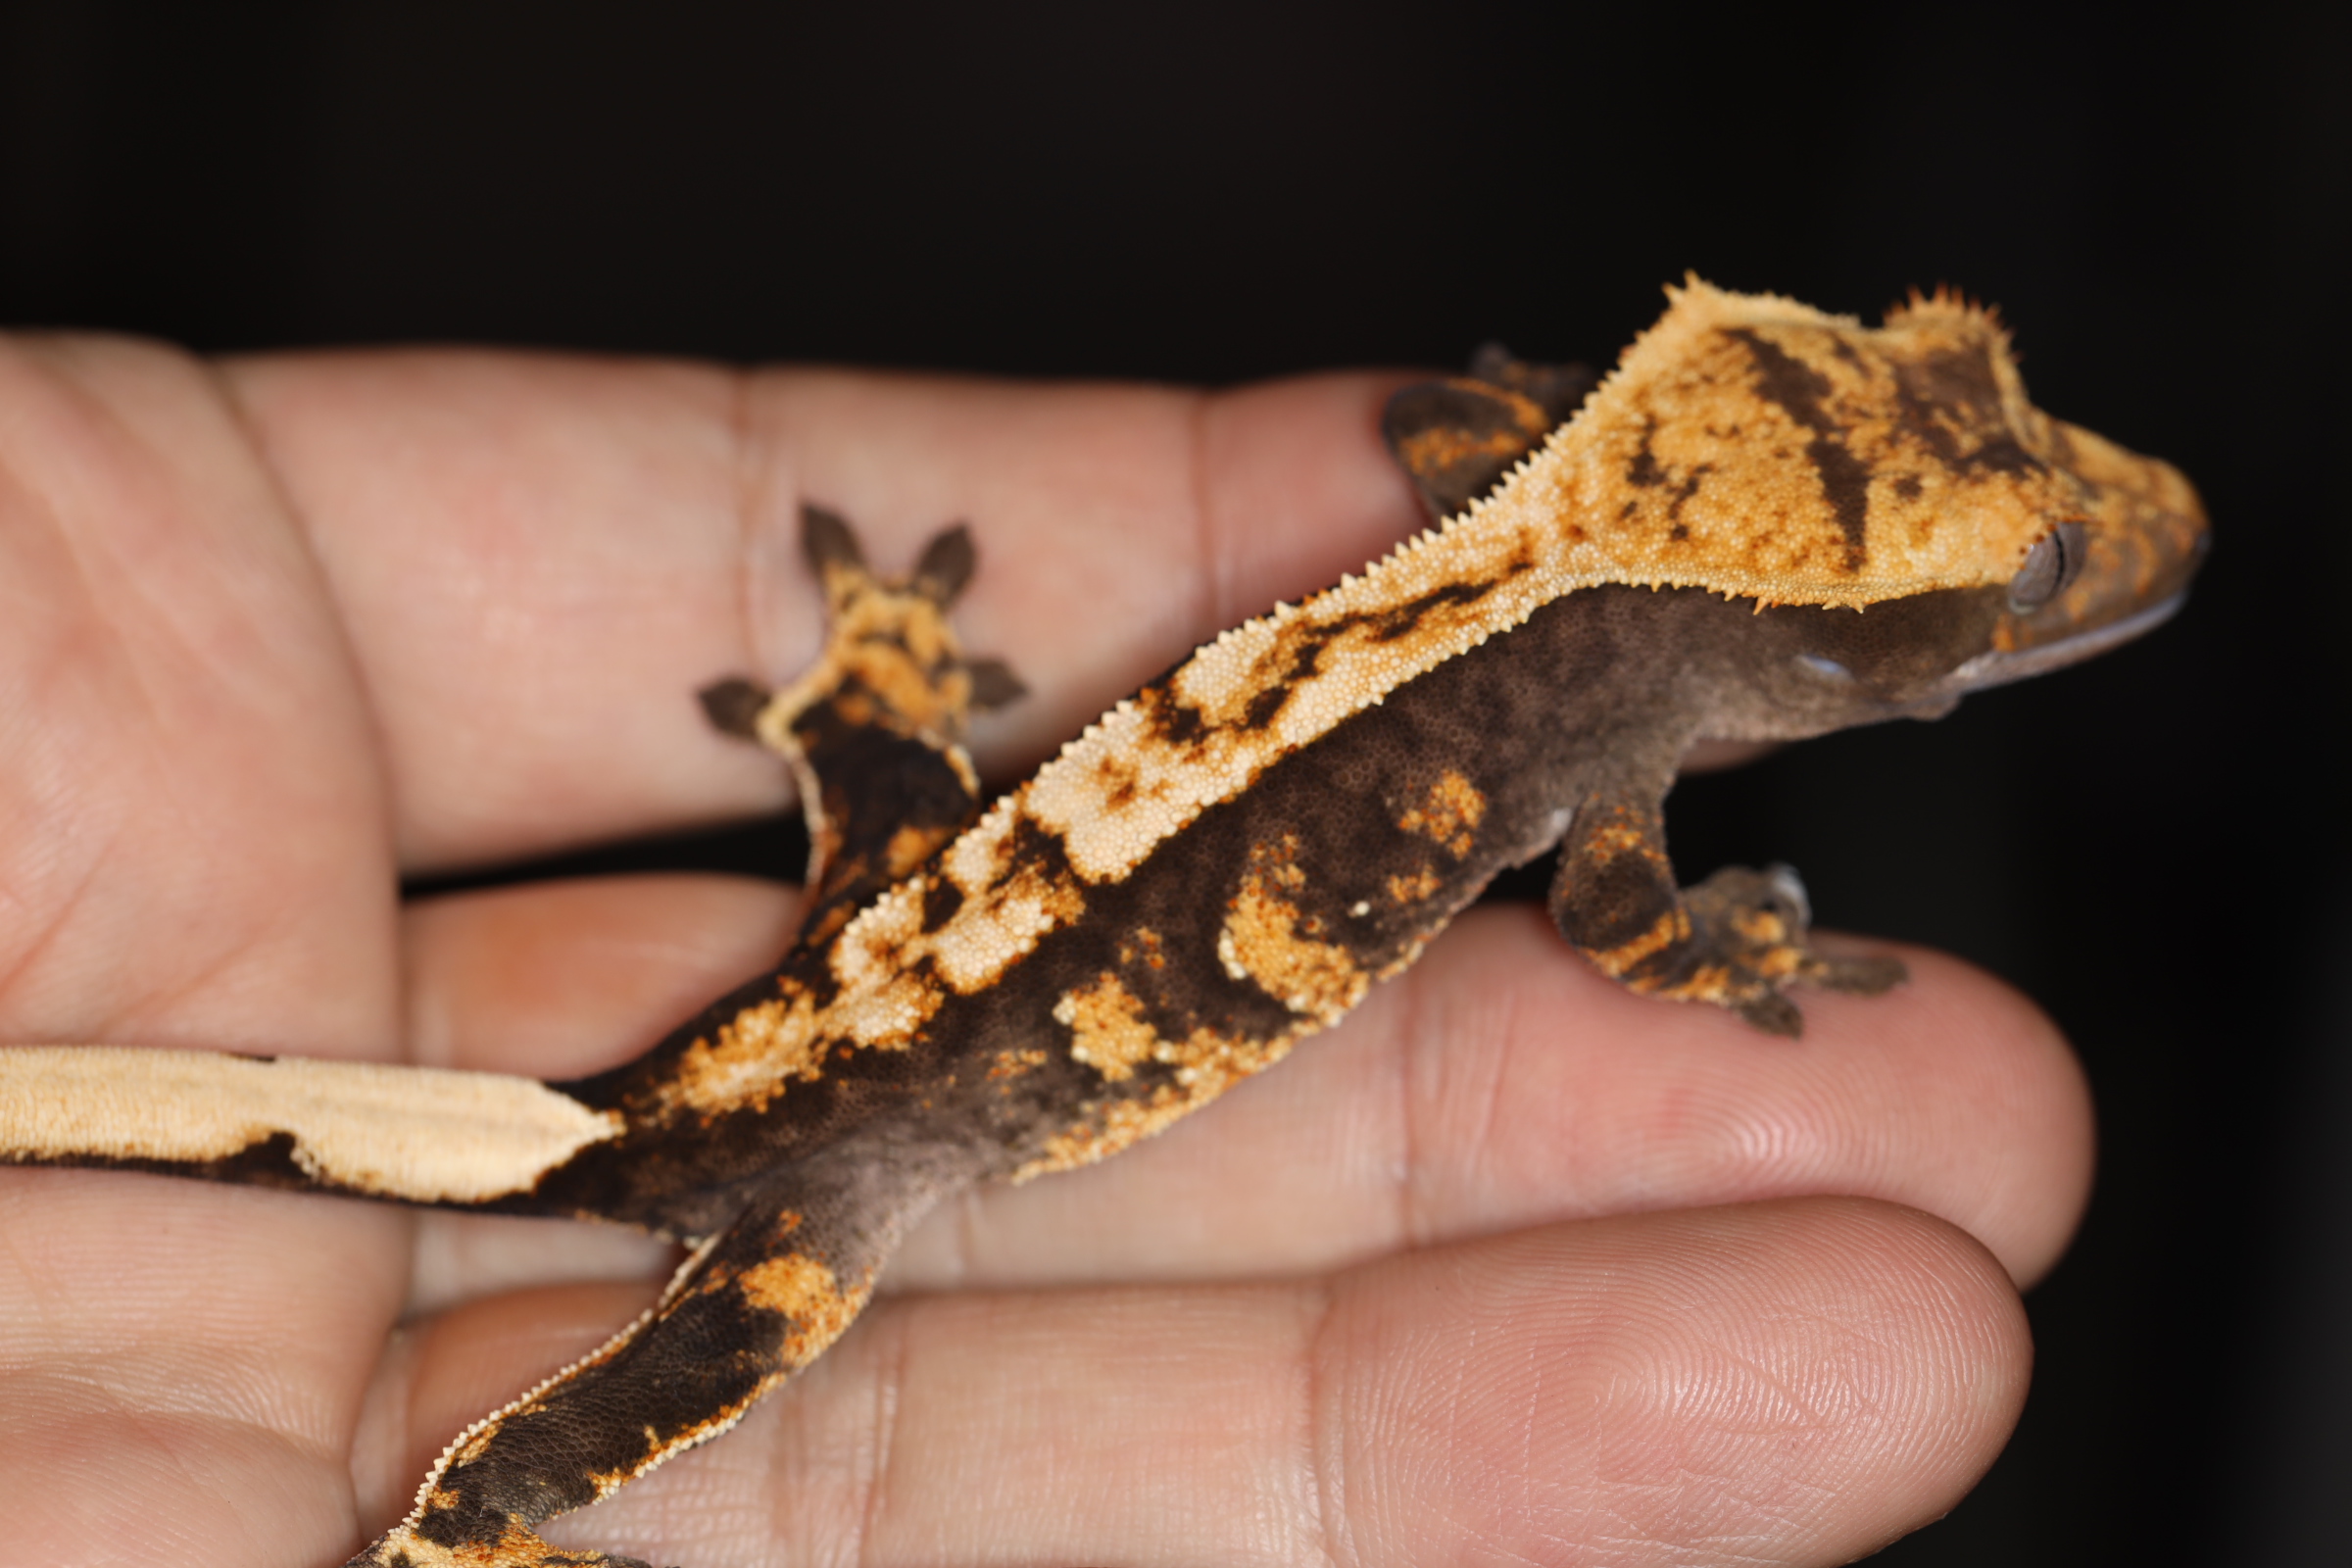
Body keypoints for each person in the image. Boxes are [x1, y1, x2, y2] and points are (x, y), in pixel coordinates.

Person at [0, 335, 2091, 1566]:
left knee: (898, 880)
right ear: (1820, 635)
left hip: (915, 935)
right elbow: (1624, 922)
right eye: (2027, 576)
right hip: (858, 1122)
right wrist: (1718, 949)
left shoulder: (1534, 510)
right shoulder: (1618, 699)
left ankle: (859, 711)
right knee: (741, 1327)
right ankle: (468, 1525)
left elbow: (1455, 430)